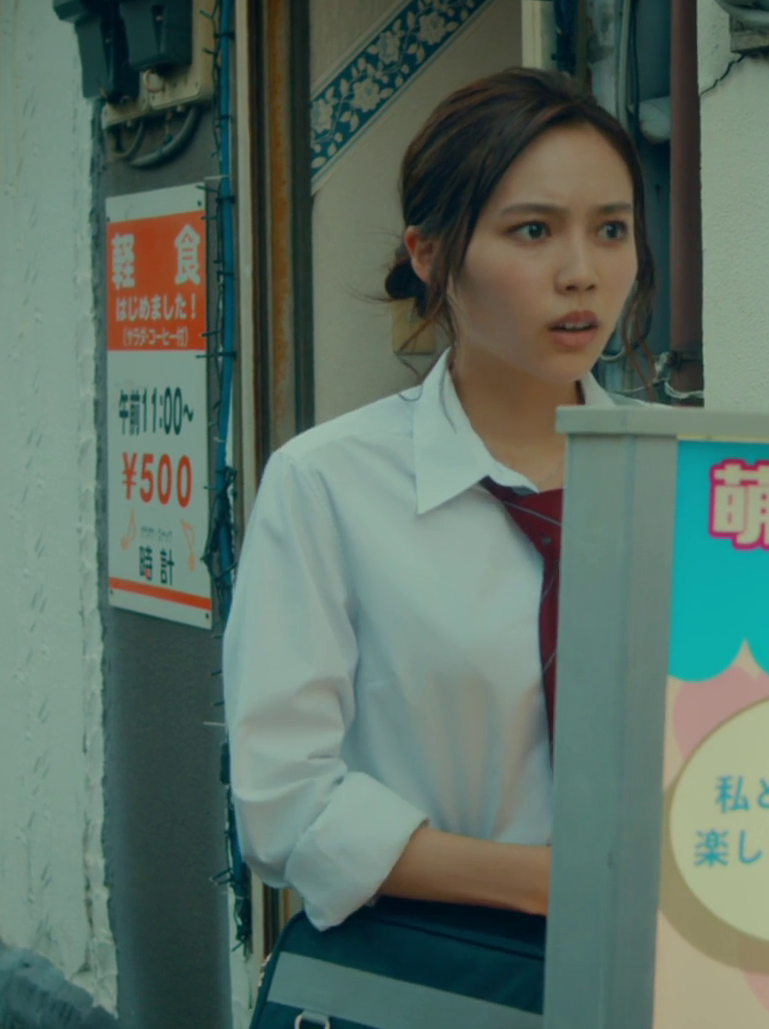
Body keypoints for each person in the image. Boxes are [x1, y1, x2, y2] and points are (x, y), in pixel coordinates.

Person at [222, 68, 658, 931]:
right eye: (533, 230)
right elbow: (284, 805)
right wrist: (554, 884)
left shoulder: (691, 476)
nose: (582, 273)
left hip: (675, 968)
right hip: (445, 967)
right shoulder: (327, 485)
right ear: (429, 255)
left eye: (611, 230)